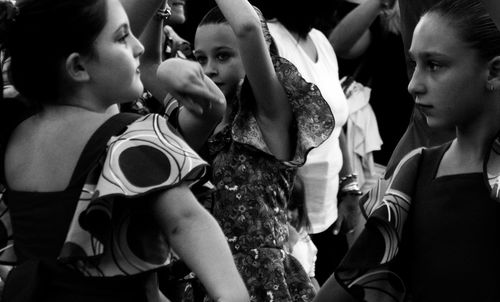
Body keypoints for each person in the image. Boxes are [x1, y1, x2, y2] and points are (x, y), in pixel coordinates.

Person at [0, 0, 250, 301]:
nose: (138, 47)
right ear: (78, 67)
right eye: (122, 37)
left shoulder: (14, 133)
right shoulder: (130, 136)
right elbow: (185, 220)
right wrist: (233, 294)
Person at [313, 0, 500, 301]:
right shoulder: (414, 172)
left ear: (494, 71)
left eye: (435, 65)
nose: (413, 85)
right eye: (413, 64)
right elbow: (344, 286)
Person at [156, 0, 335, 299]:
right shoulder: (198, 121)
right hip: (204, 282)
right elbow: (149, 65)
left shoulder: (271, 120)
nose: (210, 70)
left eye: (223, 56)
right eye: (200, 59)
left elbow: (248, 27)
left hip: (263, 285)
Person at [265, 0, 363, 286]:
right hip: (290, 220)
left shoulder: (320, 41)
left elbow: (336, 122)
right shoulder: (270, 40)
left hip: (330, 212)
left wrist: (349, 188)